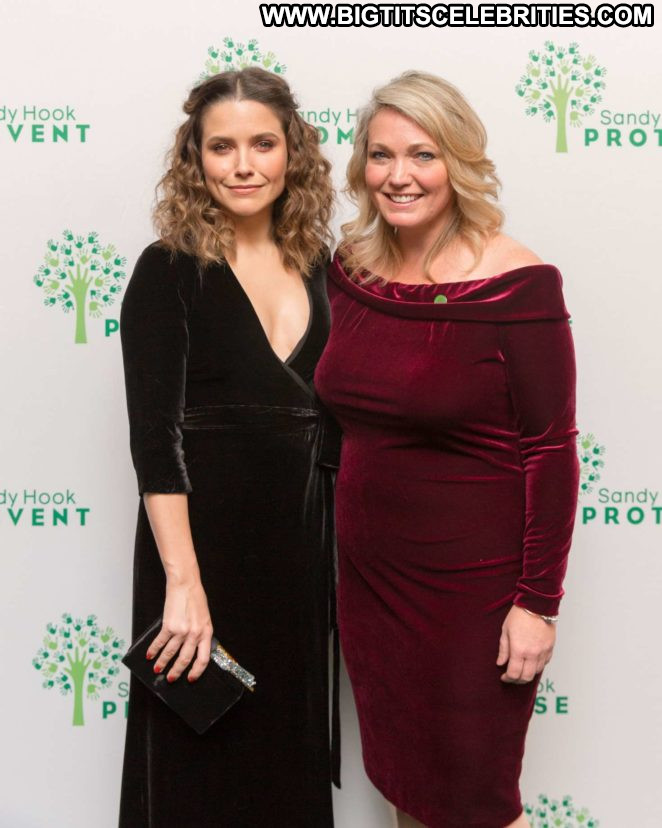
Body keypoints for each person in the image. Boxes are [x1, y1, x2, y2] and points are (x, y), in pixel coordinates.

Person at [315, 71, 579, 828]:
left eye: (423, 155)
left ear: (458, 161)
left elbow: (551, 450)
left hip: (472, 596)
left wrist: (537, 604)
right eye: (381, 155)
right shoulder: (350, 271)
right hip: (370, 583)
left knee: (474, 804)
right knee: (410, 790)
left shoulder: (517, 286)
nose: (399, 176)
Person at [118, 67, 337, 827]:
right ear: (196, 157)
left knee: (284, 765)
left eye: (262, 144)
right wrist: (183, 583)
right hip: (198, 556)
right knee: (195, 764)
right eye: (222, 147)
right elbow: (155, 441)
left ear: (292, 152)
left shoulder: (324, 270)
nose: (243, 165)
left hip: (300, 557)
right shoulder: (169, 270)